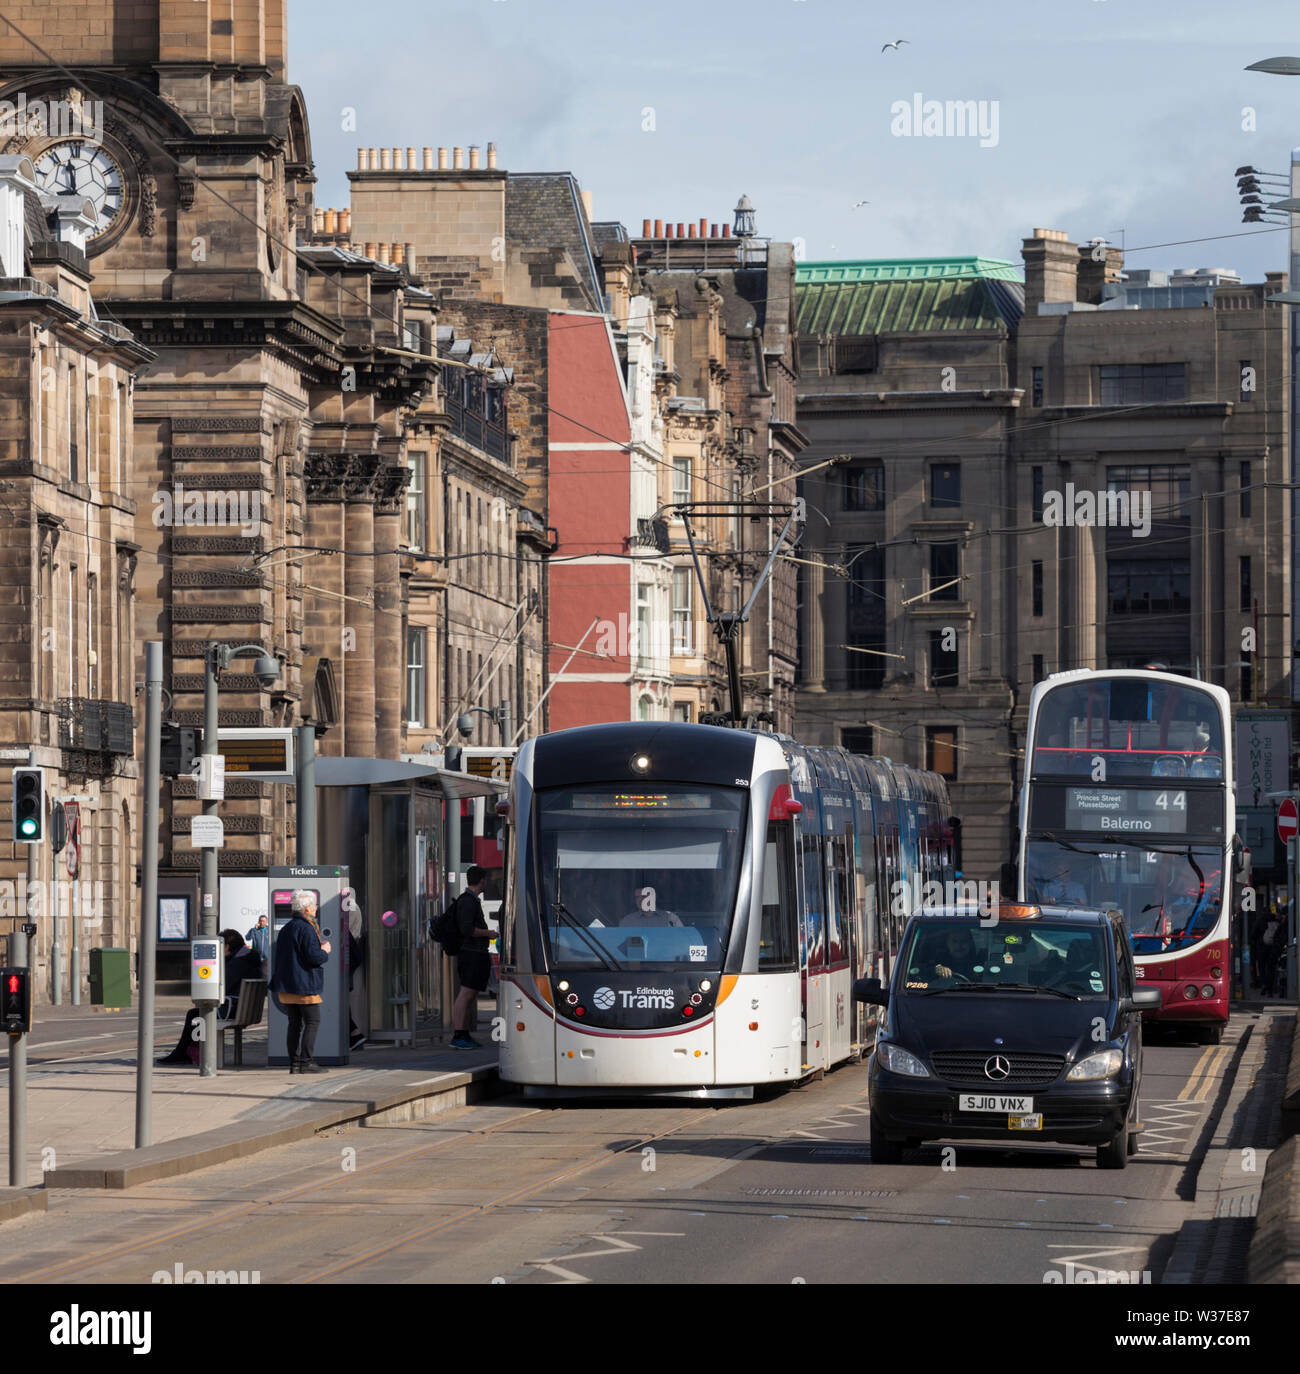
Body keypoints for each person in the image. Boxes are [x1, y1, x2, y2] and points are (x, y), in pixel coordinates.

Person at [156, 929, 260, 1066]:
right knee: (195, 1013)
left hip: (230, 1009)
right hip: (242, 1009)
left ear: (227, 946)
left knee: (194, 1015)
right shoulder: (249, 959)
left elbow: (218, 989)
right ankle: (184, 1052)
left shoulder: (237, 964)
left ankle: (183, 1053)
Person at [269, 890, 331, 1074]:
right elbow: (313, 957)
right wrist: (325, 950)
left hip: (287, 984)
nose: (315, 909)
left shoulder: (287, 928)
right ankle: (306, 1061)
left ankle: (294, 1063)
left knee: (294, 1023)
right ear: (307, 908)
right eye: (314, 906)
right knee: (313, 1021)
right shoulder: (307, 928)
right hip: (304, 984)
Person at [449, 867, 494, 1050]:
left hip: (474, 953)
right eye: (486, 879)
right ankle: (458, 1035)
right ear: (482, 880)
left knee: (470, 995)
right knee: (465, 994)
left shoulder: (470, 900)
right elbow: (467, 929)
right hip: (471, 954)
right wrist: (488, 932)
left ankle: (464, 1034)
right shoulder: (467, 902)